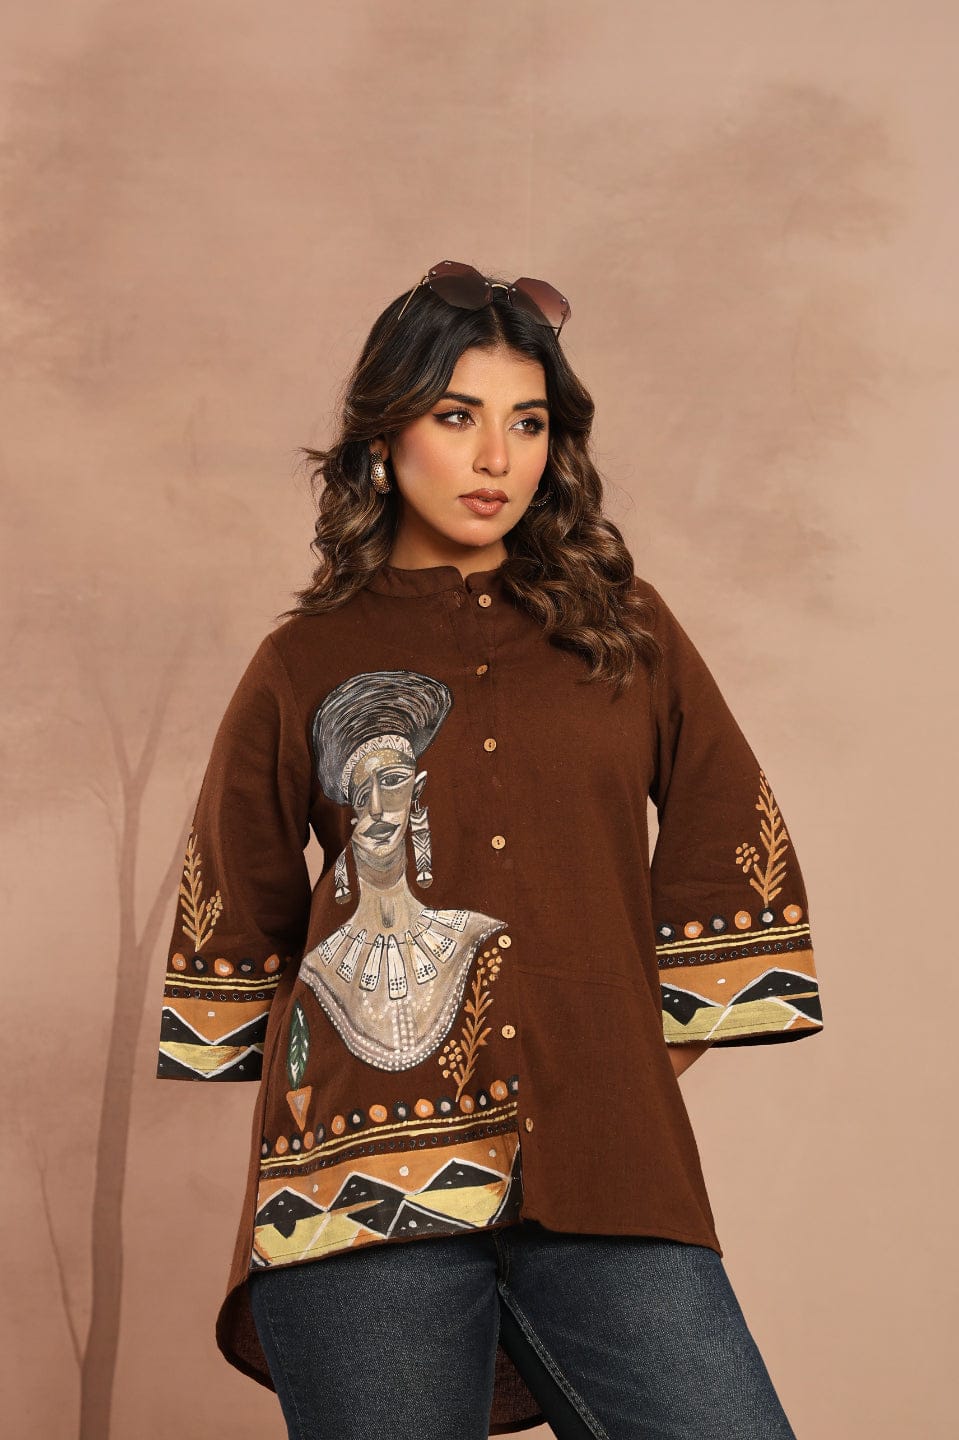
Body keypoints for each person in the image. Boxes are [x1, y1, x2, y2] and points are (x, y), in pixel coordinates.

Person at [157, 260, 824, 1440]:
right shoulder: (303, 661)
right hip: (356, 1196)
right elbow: (239, 907)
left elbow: (728, 833)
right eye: (456, 416)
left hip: (609, 1172)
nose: (493, 458)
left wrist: (613, 1059)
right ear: (384, 437)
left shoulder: (625, 632)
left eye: (525, 423)